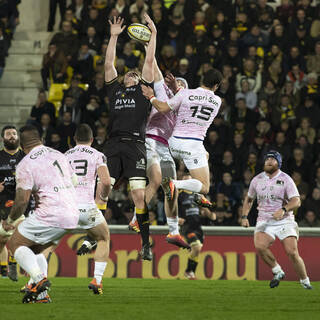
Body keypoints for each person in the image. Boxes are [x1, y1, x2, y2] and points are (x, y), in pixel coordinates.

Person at [1, 125, 79, 303]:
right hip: (72, 213)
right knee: (37, 250)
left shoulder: (25, 164)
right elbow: (74, 182)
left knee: (14, 243)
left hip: (50, 212)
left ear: (22, 145)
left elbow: (21, 201)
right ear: (41, 140)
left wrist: (10, 220)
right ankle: (42, 296)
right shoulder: (59, 155)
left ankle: (38, 281)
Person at [103, 14, 156, 260]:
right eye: (128, 75)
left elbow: (149, 61)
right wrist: (113, 36)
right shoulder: (115, 90)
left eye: (133, 76)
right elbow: (108, 65)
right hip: (113, 144)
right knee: (103, 187)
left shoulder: (143, 91)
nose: (129, 77)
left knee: (138, 195)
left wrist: (152, 36)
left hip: (135, 144)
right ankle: (94, 236)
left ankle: (145, 244)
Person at [129, 55, 190, 249]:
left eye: (181, 84)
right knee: (155, 180)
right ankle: (136, 218)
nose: (177, 83)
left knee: (171, 188)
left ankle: (173, 231)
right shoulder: (162, 90)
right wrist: (149, 42)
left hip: (165, 147)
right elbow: (153, 66)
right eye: (176, 81)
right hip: (150, 140)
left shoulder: (184, 107)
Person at [141, 68, 222, 200]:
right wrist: (177, 89)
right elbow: (199, 100)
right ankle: (174, 184)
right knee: (205, 187)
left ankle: (196, 194)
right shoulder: (217, 101)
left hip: (173, 144)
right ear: (216, 86)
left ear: (202, 79)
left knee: (205, 154)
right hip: (192, 146)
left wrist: (151, 96)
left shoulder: (185, 94)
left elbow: (162, 108)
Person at [241, 150, 312, 289]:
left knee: (292, 252)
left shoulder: (286, 179)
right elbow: (249, 199)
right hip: (264, 219)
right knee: (260, 246)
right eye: (267, 159)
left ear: (278, 163)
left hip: (284, 220)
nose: (268, 161)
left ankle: (305, 281)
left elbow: (296, 201)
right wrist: (244, 216)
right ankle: (277, 271)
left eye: (272, 159)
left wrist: (284, 209)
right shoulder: (257, 179)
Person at [65, 124, 111, 294]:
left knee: (49, 242)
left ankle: (35, 280)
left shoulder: (64, 156)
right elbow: (106, 182)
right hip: (86, 206)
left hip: (66, 208)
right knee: (104, 238)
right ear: (92, 140)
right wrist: (103, 198)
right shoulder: (98, 155)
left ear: (74, 140)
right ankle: (97, 280)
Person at [178, 173, 216, 280]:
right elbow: (171, 210)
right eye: (186, 181)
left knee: (197, 251)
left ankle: (191, 273)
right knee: (196, 247)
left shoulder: (197, 195)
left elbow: (204, 208)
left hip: (198, 226)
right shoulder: (178, 195)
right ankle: (188, 271)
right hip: (187, 226)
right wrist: (177, 219)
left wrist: (210, 215)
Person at [0, 125, 24, 281]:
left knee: (19, 235)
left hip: (21, 202)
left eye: (14, 134)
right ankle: (3, 269)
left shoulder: (26, 157)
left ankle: (14, 262)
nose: (12, 136)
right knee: (1, 240)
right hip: (1, 203)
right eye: (8, 134)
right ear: (2, 139)